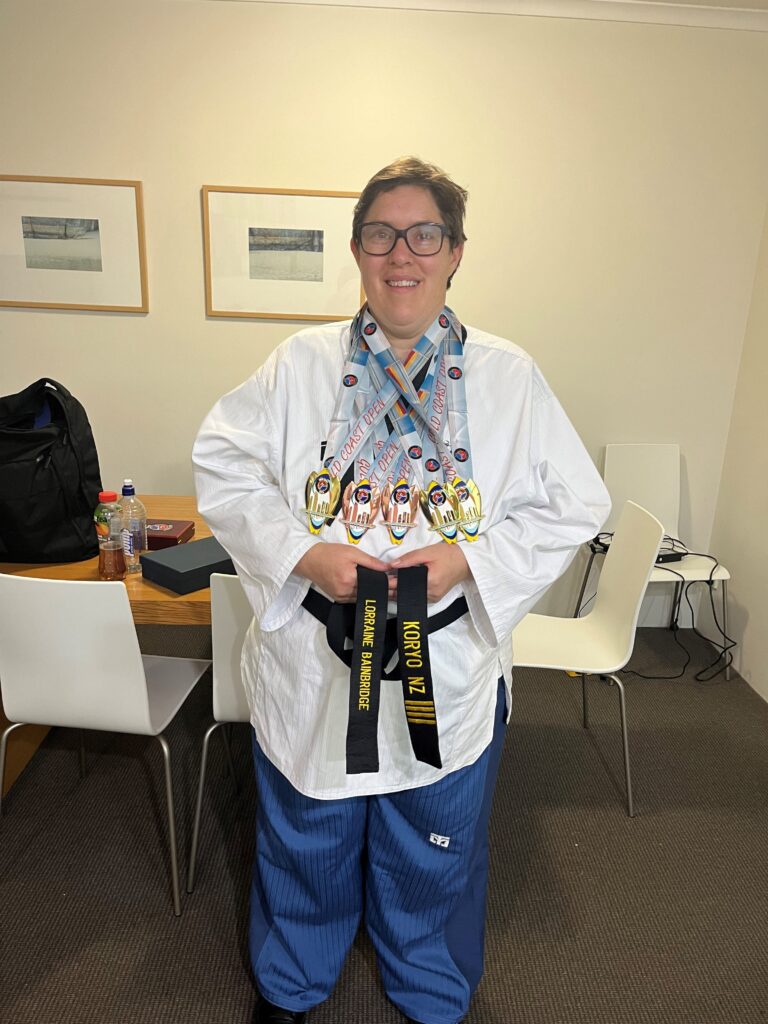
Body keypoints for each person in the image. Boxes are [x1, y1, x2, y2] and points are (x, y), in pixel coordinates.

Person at [192, 157, 610, 1024]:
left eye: (425, 234)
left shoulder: (507, 376)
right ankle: (293, 980)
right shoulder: (298, 364)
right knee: (308, 832)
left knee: (436, 837)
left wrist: (464, 560)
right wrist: (305, 552)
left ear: (455, 252)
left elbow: (577, 502)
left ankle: (428, 986)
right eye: (382, 234)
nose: (402, 254)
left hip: (443, 653)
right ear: (357, 250)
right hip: (321, 647)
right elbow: (223, 467)